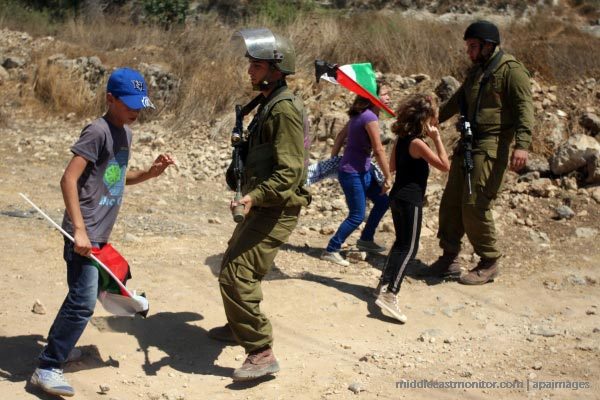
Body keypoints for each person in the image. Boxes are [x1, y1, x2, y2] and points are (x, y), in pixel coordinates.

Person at [30, 67, 174, 397]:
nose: (136, 112)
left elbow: (116, 177)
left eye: (140, 106)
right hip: (82, 236)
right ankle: (48, 366)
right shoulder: (98, 131)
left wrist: (150, 173)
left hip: (98, 236)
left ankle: (58, 351)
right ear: (110, 99)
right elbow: (68, 179)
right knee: (82, 303)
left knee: (78, 300)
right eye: (129, 105)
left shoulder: (125, 134)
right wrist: (78, 230)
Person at [210, 28, 311, 382]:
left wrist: (254, 196)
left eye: (257, 64)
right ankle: (240, 324)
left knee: (237, 274)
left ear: (276, 68)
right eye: (250, 63)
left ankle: (260, 351)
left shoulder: (283, 110)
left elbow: (290, 173)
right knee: (231, 265)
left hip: (277, 207)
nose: (250, 70)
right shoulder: (266, 105)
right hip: (263, 204)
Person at [427, 20, 534, 284]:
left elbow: (524, 108)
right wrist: (430, 120)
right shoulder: (476, 72)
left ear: (489, 46)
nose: (469, 52)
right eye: (468, 46)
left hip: (491, 146)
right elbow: (456, 102)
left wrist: (522, 144)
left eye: (473, 46)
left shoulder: (511, 70)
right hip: (467, 144)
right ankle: (449, 258)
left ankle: (489, 261)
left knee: (475, 204)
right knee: (451, 201)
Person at [375, 94, 450, 323]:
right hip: (410, 200)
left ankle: (383, 284)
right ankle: (391, 293)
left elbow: (392, 167)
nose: (436, 123)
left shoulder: (402, 139)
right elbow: (445, 166)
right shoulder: (418, 144)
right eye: (434, 118)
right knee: (410, 248)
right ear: (424, 118)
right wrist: (437, 139)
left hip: (397, 197)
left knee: (399, 243)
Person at [320, 83, 393, 267]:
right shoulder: (369, 117)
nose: (389, 97)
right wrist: (388, 177)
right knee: (357, 215)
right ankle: (331, 249)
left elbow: (339, 137)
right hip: (352, 174)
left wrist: (335, 160)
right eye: (385, 94)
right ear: (373, 96)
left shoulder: (362, 115)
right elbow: (378, 150)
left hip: (362, 171)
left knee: (384, 201)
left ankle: (366, 239)